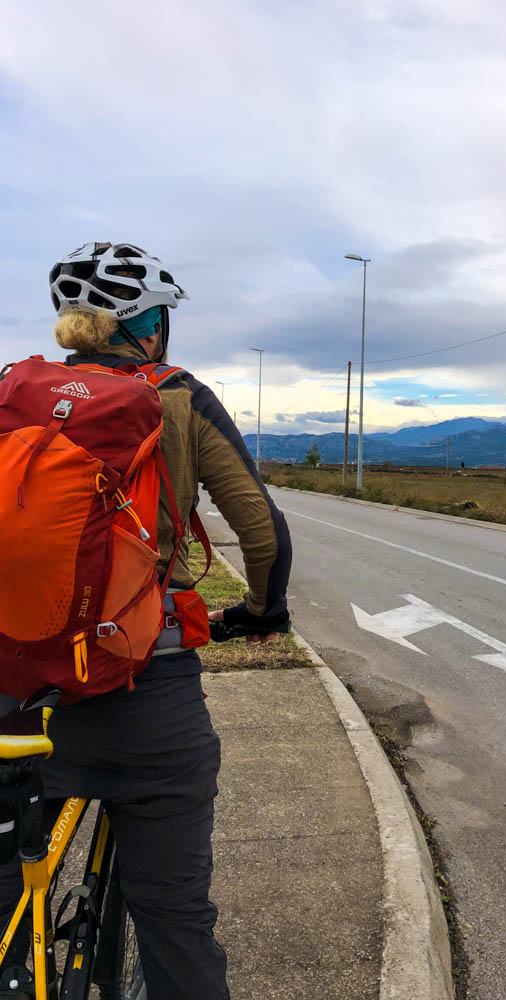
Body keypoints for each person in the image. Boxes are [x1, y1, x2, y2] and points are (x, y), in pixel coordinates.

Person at [0, 242, 292, 999]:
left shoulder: (15, 393)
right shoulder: (179, 396)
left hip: (14, 689)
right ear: (150, 327)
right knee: (174, 917)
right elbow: (260, 532)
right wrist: (261, 612)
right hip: (143, 691)